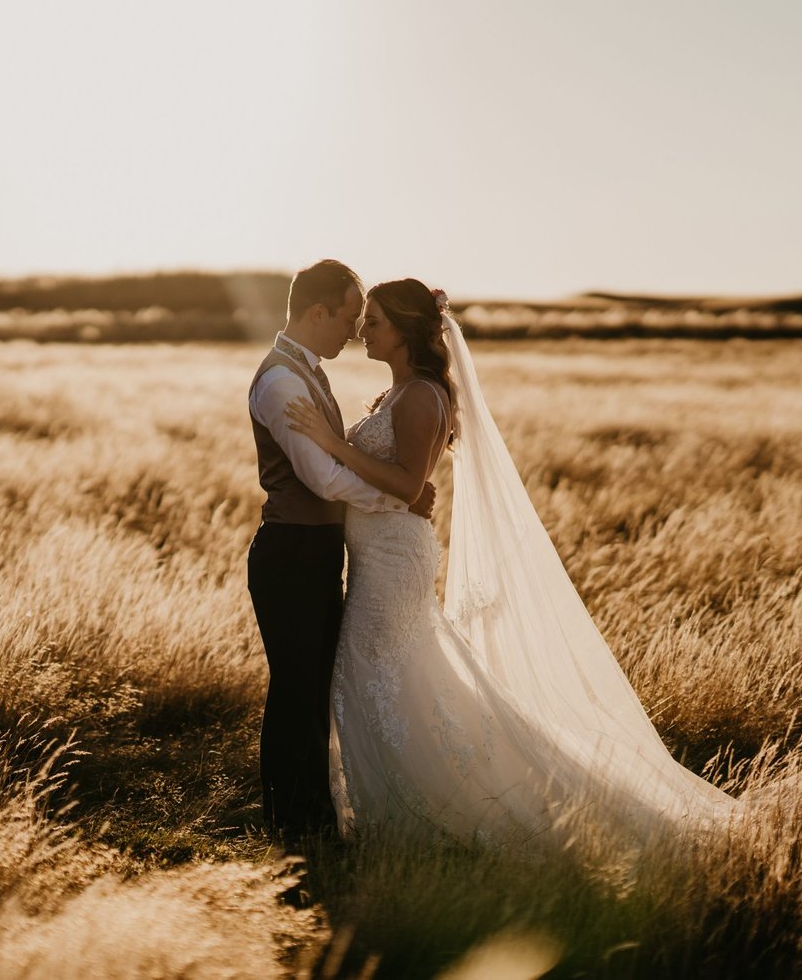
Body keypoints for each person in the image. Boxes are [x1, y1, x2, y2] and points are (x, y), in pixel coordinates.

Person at [284, 279, 736, 850]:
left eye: (372, 321)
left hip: (394, 561)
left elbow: (408, 484)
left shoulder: (422, 395)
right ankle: (402, 807)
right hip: (378, 555)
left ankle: (433, 811)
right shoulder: (396, 394)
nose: (361, 331)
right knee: (392, 676)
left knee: (377, 673)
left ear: (402, 329)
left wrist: (332, 441)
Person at [245, 259, 433, 846]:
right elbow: (322, 478)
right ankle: (290, 821)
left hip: (317, 551)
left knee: (311, 688)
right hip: (292, 554)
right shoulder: (282, 381)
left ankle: (311, 814)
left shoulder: (309, 372)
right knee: (297, 689)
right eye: (349, 318)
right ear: (317, 312)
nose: (354, 332)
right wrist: (395, 498)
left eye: (364, 321)